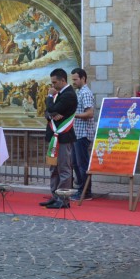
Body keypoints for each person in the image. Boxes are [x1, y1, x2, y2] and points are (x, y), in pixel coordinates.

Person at [42, 68, 77, 209]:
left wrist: (50, 98)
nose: (52, 86)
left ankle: (63, 199)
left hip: (63, 137)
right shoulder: (60, 93)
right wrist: (51, 113)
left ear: (63, 80)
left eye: (55, 82)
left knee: (64, 168)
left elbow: (51, 108)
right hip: (54, 136)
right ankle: (55, 196)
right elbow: (47, 112)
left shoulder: (68, 95)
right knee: (53, 168)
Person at [70, 68, 95, 202]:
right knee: (75, 162)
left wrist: (73, 115)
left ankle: (86, 191)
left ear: (83, 78)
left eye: (75, 79)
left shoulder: (85, 93)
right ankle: (81, 189)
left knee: (82, 164)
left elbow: (90, 113)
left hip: (83, 134)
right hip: (77, 133)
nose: (73, 82)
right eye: (73, 79)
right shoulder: (80, 92)